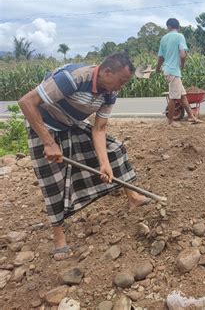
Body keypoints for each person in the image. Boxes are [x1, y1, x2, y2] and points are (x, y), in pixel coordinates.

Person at [18, 52, 150, 260]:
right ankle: (59, 238)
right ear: (107, 72)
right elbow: (26, 102)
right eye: (121, 81)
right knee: (53, 180)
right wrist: (49, 142)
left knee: (114, 151)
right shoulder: (73, 78)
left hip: (71, 123)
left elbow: (99, 129)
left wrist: (104, 164)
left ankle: (133, 197)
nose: (122, 86)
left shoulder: (109, 93)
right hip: (44, 125)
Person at [156, 18, 202, 126]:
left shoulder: (163, 39)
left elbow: (161, 57)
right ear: (178, 26)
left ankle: (191, 116)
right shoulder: (179, 36)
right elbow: (182, 54)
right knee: (173, 97)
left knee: (183, 95)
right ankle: (171, 121)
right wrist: (182, 64)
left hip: (169, 70)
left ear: (168, 27)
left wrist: (157, 69)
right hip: (173, 71)